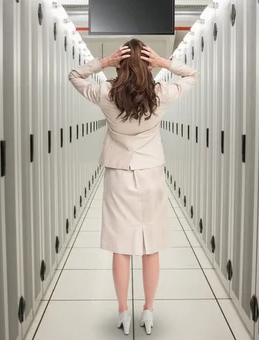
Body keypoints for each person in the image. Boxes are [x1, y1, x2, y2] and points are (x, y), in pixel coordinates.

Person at [68, 39, 199, 335]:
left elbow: (75, 75)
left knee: (121, 246)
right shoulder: (161, 94)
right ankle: (149, 311)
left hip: (118, 174)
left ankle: (123, 311)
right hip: (150, 172)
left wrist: (103, 62)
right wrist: (166, 63)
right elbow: (192, 75)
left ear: (120, 63)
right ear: (148, 65)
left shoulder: (105, 93)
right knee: (150, 246)